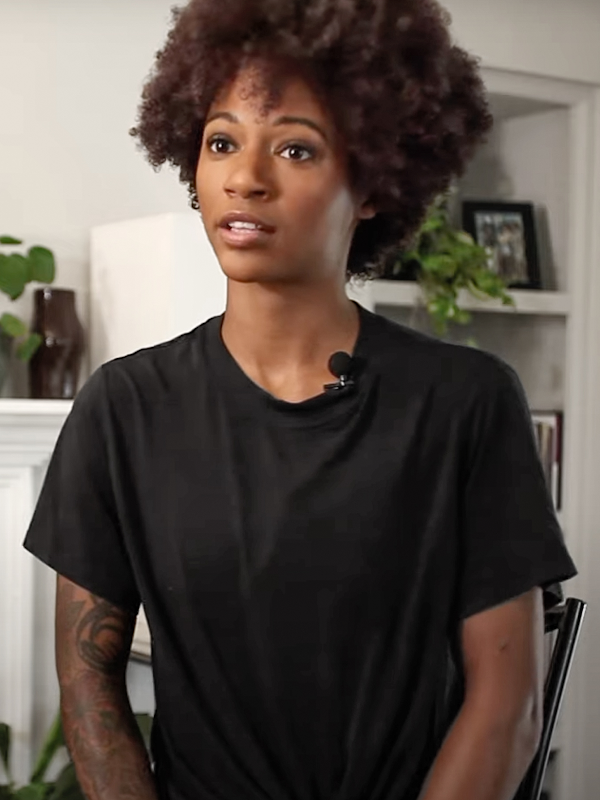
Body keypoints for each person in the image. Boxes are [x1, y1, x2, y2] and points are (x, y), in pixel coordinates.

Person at [24, 1, 577, 800]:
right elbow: (89, 683)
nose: (246, 177)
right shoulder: (125, 408)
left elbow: (507, 706)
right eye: (221, 142)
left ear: (376, 182)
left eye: (295, 147)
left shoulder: (465, 403)